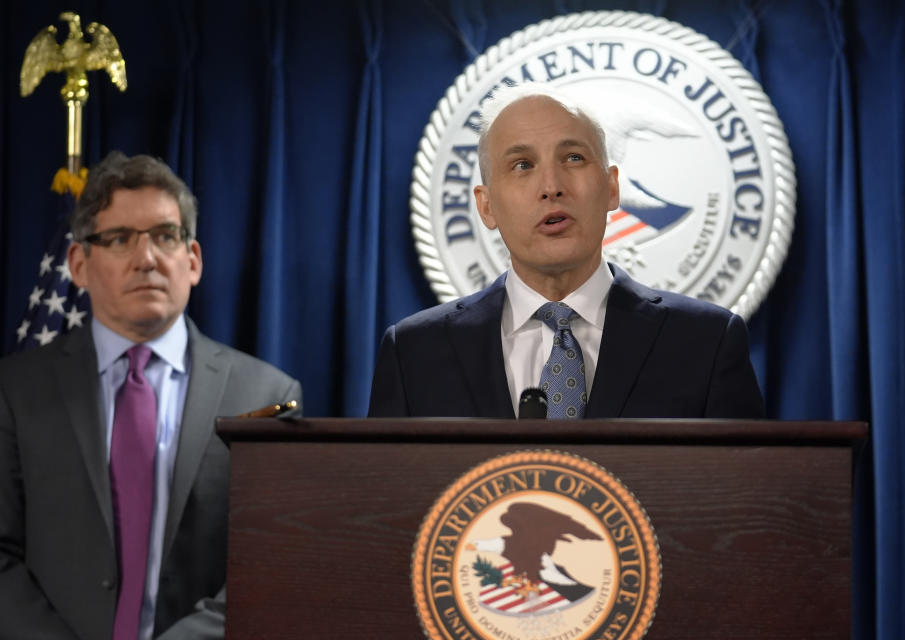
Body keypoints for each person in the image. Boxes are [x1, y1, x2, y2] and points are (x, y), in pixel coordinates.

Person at [0, 152, 302, 640]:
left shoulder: (267, 394)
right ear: (79, 264)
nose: (147, 258)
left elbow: (270, 560)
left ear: (193, 259)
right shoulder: (14, 391)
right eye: (119, 239)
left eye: (165, 235)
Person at [368, 85, 763, 419]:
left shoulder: (706, 344)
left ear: (611, 188)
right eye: (522, 165)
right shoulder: (414, 354)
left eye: (573, 158)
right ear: (486, 206)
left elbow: (745, 499)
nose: (552, 186)